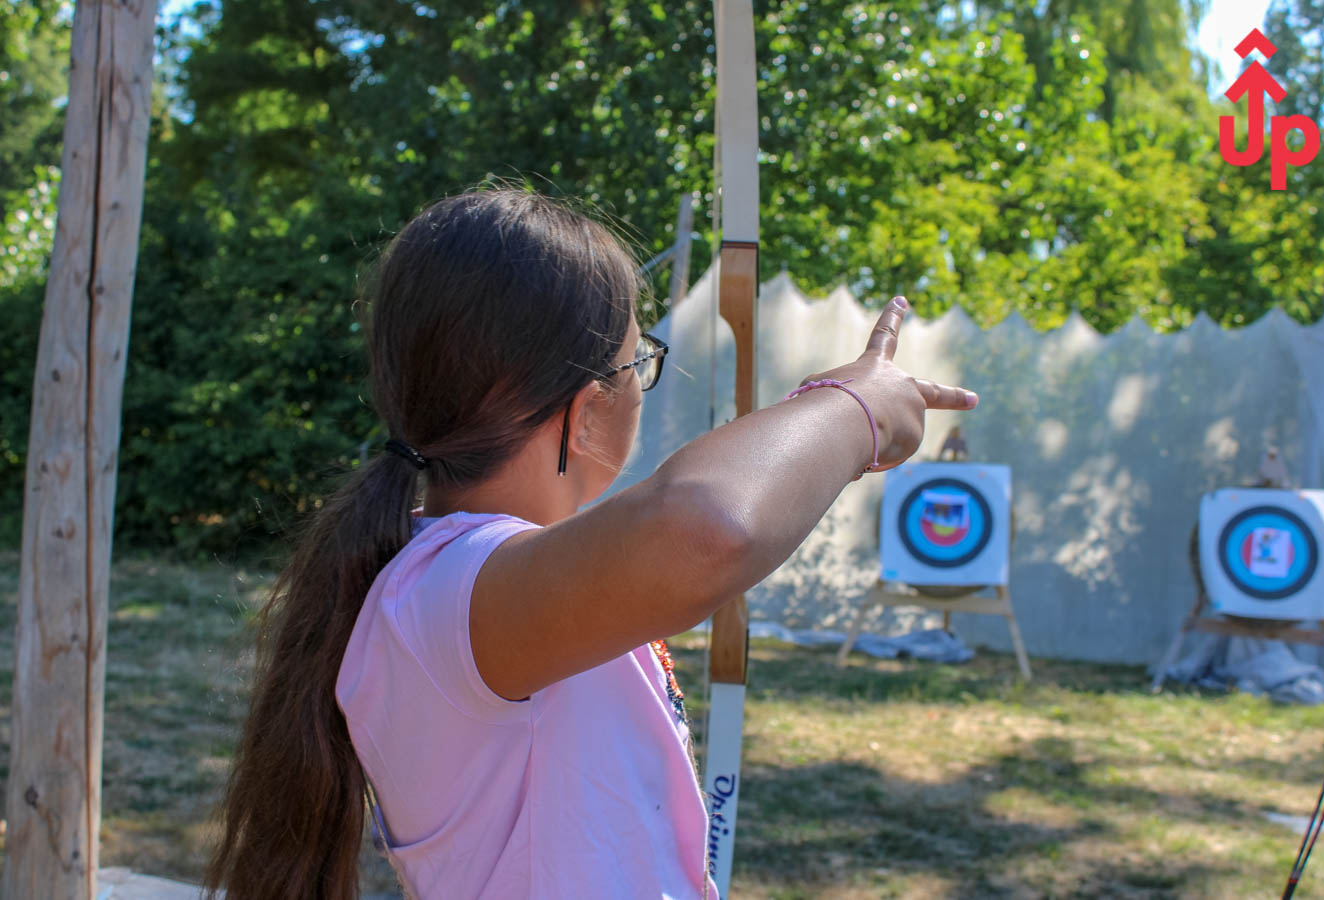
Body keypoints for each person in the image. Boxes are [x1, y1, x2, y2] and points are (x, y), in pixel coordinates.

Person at [204, 188, 978, 900]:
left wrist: (815, 452)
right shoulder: (449, 594)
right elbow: (708, 528)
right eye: (638, 364)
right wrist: (854, 410)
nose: (643, 384)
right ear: (582, 411)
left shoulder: (466, 586)